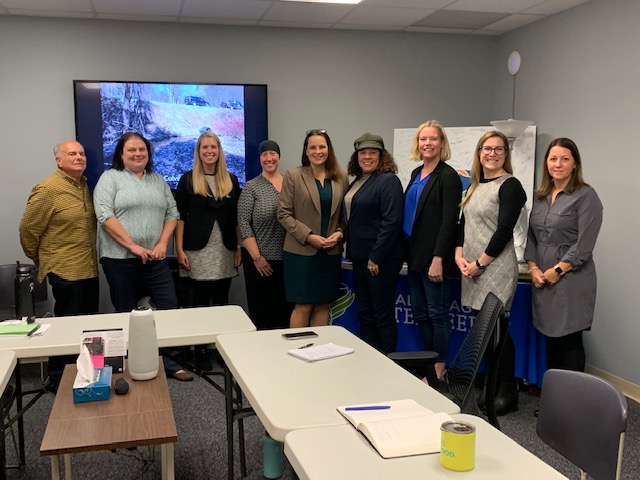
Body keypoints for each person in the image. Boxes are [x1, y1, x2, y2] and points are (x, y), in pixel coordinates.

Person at [93, 132, 192, 381]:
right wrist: (132, 246)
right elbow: (105, 216)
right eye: (132, 150)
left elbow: (173, 213)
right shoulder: (110, 178)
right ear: (121, 154)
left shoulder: (157, 180)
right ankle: (130, 364)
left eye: (142, 150)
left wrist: (162, 244)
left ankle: (172, 363)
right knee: (127, 312)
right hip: (119, 259)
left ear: (148, 153)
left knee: (169, 307)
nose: (138, 154)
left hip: (156, 259)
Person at [455, 130, 527, 415]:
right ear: (479, 152)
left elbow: (503, 231)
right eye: (487, 149)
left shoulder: (511, 186)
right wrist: (460, 257)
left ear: (505, 154)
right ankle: (489, 387)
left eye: (498, 149)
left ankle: (506, 391)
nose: (492, 154)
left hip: (493, 268)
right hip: (472, 267)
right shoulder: (473, 186)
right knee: (482, 331)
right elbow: (463, 226)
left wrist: (480, 263)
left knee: (497, 331)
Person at [19, 140, 100, 391]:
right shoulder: (47, 189)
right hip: (65, 271)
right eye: (72, 153)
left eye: (82, 153)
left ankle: (86, 373)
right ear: (59, 160)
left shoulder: (83, 186)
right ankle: (56, 379)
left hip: (88, 268)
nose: (79, 157)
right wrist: (44, 260)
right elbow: (28, 230)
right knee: (67, 326)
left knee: (88, 326)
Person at [525, 138, 603, 372]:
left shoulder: (586, 196)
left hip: (572, 278)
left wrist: (558, 270)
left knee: (570, 341)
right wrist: (534, 269)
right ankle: (554, 401)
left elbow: (584, 243)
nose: (558, 164)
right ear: (546, 163)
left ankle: (572, 405)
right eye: (553, 158)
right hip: (543, 279)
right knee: (551, 340)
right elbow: (531, 237)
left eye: (565, 159)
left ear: (575, 164)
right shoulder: (540, 197)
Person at [175, 131, 242, 370]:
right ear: (199, 151)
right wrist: (179, 248)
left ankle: (222, 350)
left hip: (224, 249)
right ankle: (201, 350)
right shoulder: (188, 180)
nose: (209, 151)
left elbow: (236, 218)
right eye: (205, 147)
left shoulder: (231, 180)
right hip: (197, 250)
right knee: (200, 304)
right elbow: (180, 218)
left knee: (222, 303)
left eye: (213, 147)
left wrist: (238, 248)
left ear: (219, 150)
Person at [404, 120, 462, 379]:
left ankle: (440, 366)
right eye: (423, 139)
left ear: (442, 143)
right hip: (414, 256)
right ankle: (429, 362)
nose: (427, 143)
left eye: (433, 139)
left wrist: (438, 258)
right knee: (420, 313)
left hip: (434, 258)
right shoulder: (416, 173)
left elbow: (450, 221)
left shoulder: (448, 176)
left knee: (437, 314)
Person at [277, 130, 348, 328]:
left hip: (330, 252)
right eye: (313, 147)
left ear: (329, 150)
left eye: (322, 147)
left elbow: (345, 217)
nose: (318, 151)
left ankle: (319, 351)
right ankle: (298, 351)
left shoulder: (341, 178)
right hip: (301, 252)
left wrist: (340, 233)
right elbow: (283, 213)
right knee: (304, 305)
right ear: (306, 151)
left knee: (323, 304)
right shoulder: (294, 175)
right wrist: (309, 237)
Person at [344, 133, 403, 354]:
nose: (367, 157)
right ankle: (370, 358)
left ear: (381, 155)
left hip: (380, 260)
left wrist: (375, 257)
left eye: (372, 152)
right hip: (360, 259)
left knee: (382, 314)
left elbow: (392, 221)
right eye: (362, 153)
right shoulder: (358, 181)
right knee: (365, 313)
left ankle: (388, 361)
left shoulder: (388, 180)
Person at [238, 140, 292, 330]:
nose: (269, 158)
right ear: (260, 159)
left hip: (289, 259)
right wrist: (257, 258)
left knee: (286, 312)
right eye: (264, 155)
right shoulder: (251, 187)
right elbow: (243, 223)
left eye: (273, 154)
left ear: (279, 156)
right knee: (263, 314)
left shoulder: (291, 183)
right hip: (261, 262)